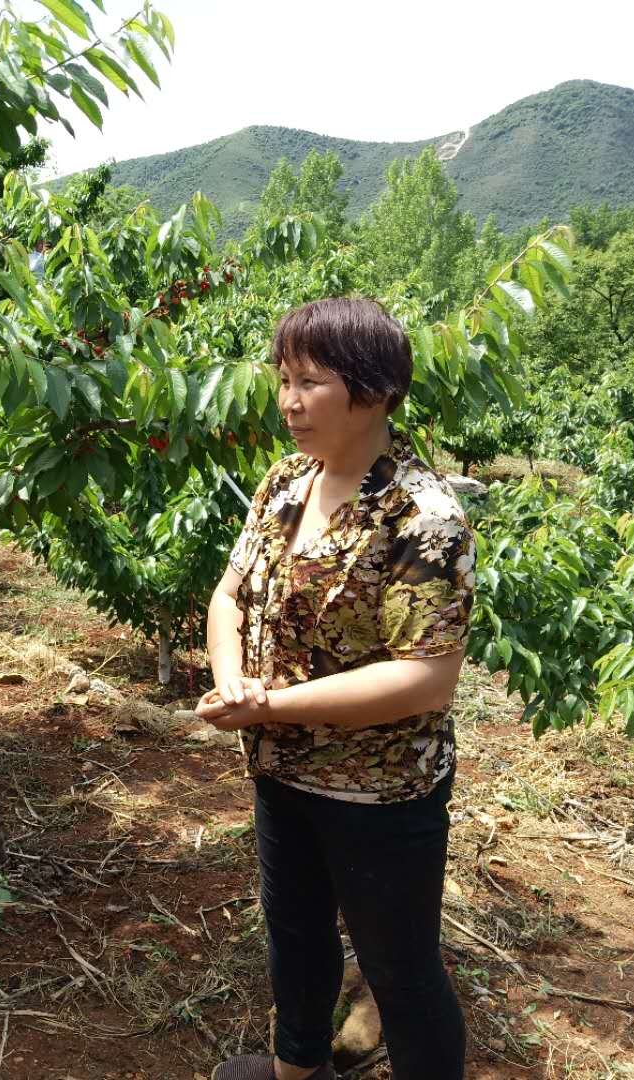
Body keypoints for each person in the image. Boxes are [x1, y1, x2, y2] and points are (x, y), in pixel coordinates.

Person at [199, 298, 473, 1080]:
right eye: (284, 380)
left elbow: (425, 678)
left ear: (375, 391)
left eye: (310, 382)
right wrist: (232, 680)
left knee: (401, 970)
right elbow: (229, 594)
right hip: (281, 771)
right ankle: (298, 1072)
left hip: (378, 795)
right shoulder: (287, 482)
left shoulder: (421, 517)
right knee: (296, 937)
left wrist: (269, 705)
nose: (289, 402)